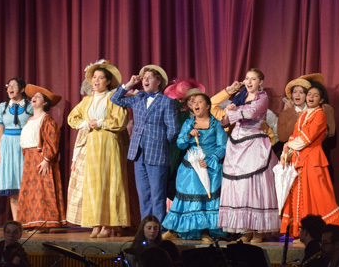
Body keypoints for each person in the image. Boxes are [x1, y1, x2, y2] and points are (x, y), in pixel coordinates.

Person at [67, 60, 131, 237]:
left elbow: (120, 120)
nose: (96, 81)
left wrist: (101, 122)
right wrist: (86, 123)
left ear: (108, 81)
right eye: (94, 77)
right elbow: (72, 118)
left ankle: (109, 224)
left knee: (110, 181)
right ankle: (96, 222)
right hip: (92, 144)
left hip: (109, 142)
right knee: (94, 184)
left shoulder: (114, 98)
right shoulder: (87, 100)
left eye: (101, 78)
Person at [217, 68, 279, 242]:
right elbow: (225, 119)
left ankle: (258, 230)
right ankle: (246, 230)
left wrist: (232, 111)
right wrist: (226, 115)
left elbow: (252, 113)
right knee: (240, 187)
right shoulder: (240, 98)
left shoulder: (262, 97)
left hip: (254, 144)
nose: (249, 81)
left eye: (253, 79)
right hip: (236, 144)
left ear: (260, 82)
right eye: (247, 78)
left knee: (255, 185)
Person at [280, 82, 339, 237]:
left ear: (321, 100)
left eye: (315, 95)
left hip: (313, 159)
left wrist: (288, 145)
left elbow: (306, 138)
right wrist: (286, 153)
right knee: (302, 195)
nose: (311, 97)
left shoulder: (320, 114)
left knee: (320, 195)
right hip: (300, 160)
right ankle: (303, 232)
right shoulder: (304, 115)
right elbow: (294, 135)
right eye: (309, 94)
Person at [111, 64, 178, 223]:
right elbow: (115, 99)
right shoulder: (138, 98)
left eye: (149, 78)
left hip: (157, 153)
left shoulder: (166, 102)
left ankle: (158, 228)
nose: (145, 80)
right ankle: (146, 228)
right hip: (138, 152)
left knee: (157, 194)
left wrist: (161, 143)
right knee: (144, 194)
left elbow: (173, 129)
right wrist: (128, 84)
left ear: (158, 82)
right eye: (144, 78)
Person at [162, 92, 227, 242]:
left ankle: (204, 231)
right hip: (190, 166)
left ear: (208, 106)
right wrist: (189, 135)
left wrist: (211, 160)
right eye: (193, 102)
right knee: (185, 196)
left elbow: (223, 146)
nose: (196, 104)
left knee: (206, 198)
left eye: (199, 102)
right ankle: (174, 229)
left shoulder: (215, 124)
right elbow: (180, 143)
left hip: (208, 166)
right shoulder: (189, 124)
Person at [16, 84, 66, 231]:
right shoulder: (29, 120)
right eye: (33, 96)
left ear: (45, 102)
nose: (34, 98)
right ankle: (34, 221)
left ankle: (46, 221)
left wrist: (46, 159)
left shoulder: (47, 120)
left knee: (43, 190)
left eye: (38, 97)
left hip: (41, 158)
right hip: (29, 159)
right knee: (31, 190)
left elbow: (52, 140)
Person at [0, 77, 32, 220]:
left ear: (22, 89)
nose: (10, 88)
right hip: (7, 146)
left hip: (24, 145)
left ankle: (28, 219)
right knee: (12, 185)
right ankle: (17, 221)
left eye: (14, 85)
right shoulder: (2, 107)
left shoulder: (29, 106)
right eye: (8, 85)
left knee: (25, 182)